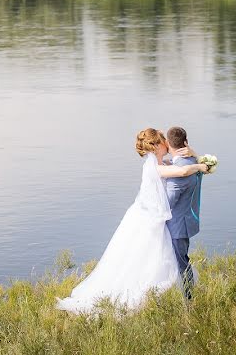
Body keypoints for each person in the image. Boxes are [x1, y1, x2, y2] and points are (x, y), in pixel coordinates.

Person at [56, 128, 207, 313]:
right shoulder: (155, 168)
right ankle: (141, 297)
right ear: (156, 146)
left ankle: (166, 298)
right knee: (142, 260)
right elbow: (183, 171)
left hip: (148, 216)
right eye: (163, 141)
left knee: (150, 259)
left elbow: (178, 167)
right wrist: (199, 165)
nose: (167, 143)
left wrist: (193, 154)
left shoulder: (162, 163)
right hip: (149, 219)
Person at [159, 126, 202, 300]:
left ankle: (188, 300)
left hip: (177, 225)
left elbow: (169, 202)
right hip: (186, 220)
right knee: (182, 259)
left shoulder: (179, 173)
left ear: (168, 144)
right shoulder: (192, 162)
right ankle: (183, 295)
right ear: (185, 143)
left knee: (181, 263)